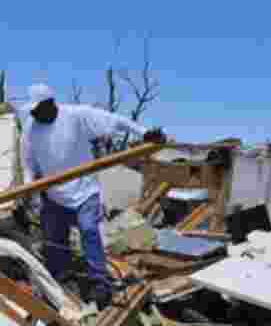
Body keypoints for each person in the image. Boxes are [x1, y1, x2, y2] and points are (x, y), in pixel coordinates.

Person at [21, 83, 167, 309]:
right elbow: (29, 162)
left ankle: (99, 283)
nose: (34, 114)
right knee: (53, 240)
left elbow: (114, 120)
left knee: (89, 231)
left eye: (38, 109)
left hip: (84, 190)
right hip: (53, 193)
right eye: (32, 111)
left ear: (51, 104)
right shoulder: (31, 128)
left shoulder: (76, 116)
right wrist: (28, 186)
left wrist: (144, 132)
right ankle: (61, 282)